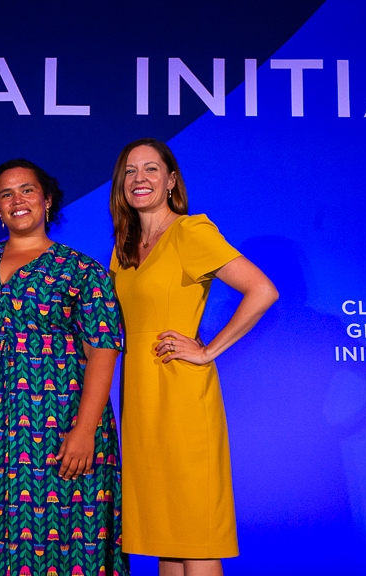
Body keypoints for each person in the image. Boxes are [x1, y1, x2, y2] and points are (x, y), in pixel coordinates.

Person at [0, 160, 128, 576]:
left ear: (48, 200)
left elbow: (105, 349)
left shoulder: (81, 270)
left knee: (60, 536)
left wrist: (85, 429)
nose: (17, 200)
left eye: (27, 190)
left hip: (57, 425)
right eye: (6, 194)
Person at [108, 138, 278, 576]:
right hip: (140, 400)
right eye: (130, 170)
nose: (139, 178)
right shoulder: (125, 247)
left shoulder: (189, 231)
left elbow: (262, 290)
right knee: (168, 536)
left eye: (150, 169)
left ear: (171, 181)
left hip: (182, 394)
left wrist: (207, 350)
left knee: (196, 536)